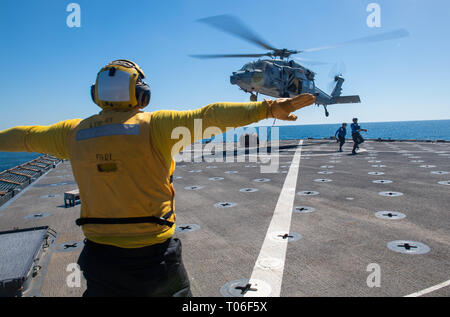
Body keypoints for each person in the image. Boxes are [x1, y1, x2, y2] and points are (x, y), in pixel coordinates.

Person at [0, 59, 316, 297]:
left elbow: (24, 135)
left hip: (99, 259)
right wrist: (268, 109)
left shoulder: (71, 133)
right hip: (154, 260)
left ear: (96, 95)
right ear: (142, 95)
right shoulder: (157, 126)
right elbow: (210, 116)